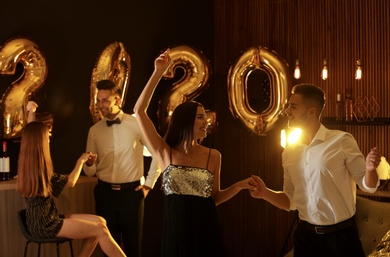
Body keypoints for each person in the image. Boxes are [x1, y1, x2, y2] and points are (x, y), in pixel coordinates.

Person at [133, 49, 257, 257]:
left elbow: (214, 198)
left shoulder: (213, 156)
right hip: (176, 229)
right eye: (200, 117)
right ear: (185, 121)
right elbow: (139, 110)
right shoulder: (165, 152)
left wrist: (239, 186)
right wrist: (158, 72)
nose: (206, 121)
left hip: (206, 228)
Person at [250, 83, 381, 256]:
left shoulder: (342, 141)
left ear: (311, 111)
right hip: (306, 238)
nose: (287, 111)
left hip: (341, 238)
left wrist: (371, 169)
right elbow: (290, 201)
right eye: (289, 106)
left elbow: (368, 186)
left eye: (293, 106)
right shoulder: (289, 151)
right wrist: (264, 193)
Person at [16, 121, 126, 257]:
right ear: (40, 142)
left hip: (39, 221)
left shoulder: (27, 165)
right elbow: (71, 182)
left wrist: (31, 112)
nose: (49, 141)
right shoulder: (41, 171)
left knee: (100, 222)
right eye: (47, 138)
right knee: (100, 229)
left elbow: (31, 130)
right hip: (45, 224)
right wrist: (81, 160)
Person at [83, 79, 161, 256]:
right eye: (98, 100)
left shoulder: (136, 124)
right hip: (104, 194)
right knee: (108, 248)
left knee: (134, 247)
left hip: (132, 194)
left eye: (104, 100)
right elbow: (90, 171)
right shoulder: (94, 131)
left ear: (117, 100)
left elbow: (157, 153)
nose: (100, 105)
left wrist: (149, 184)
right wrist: (89, 163)